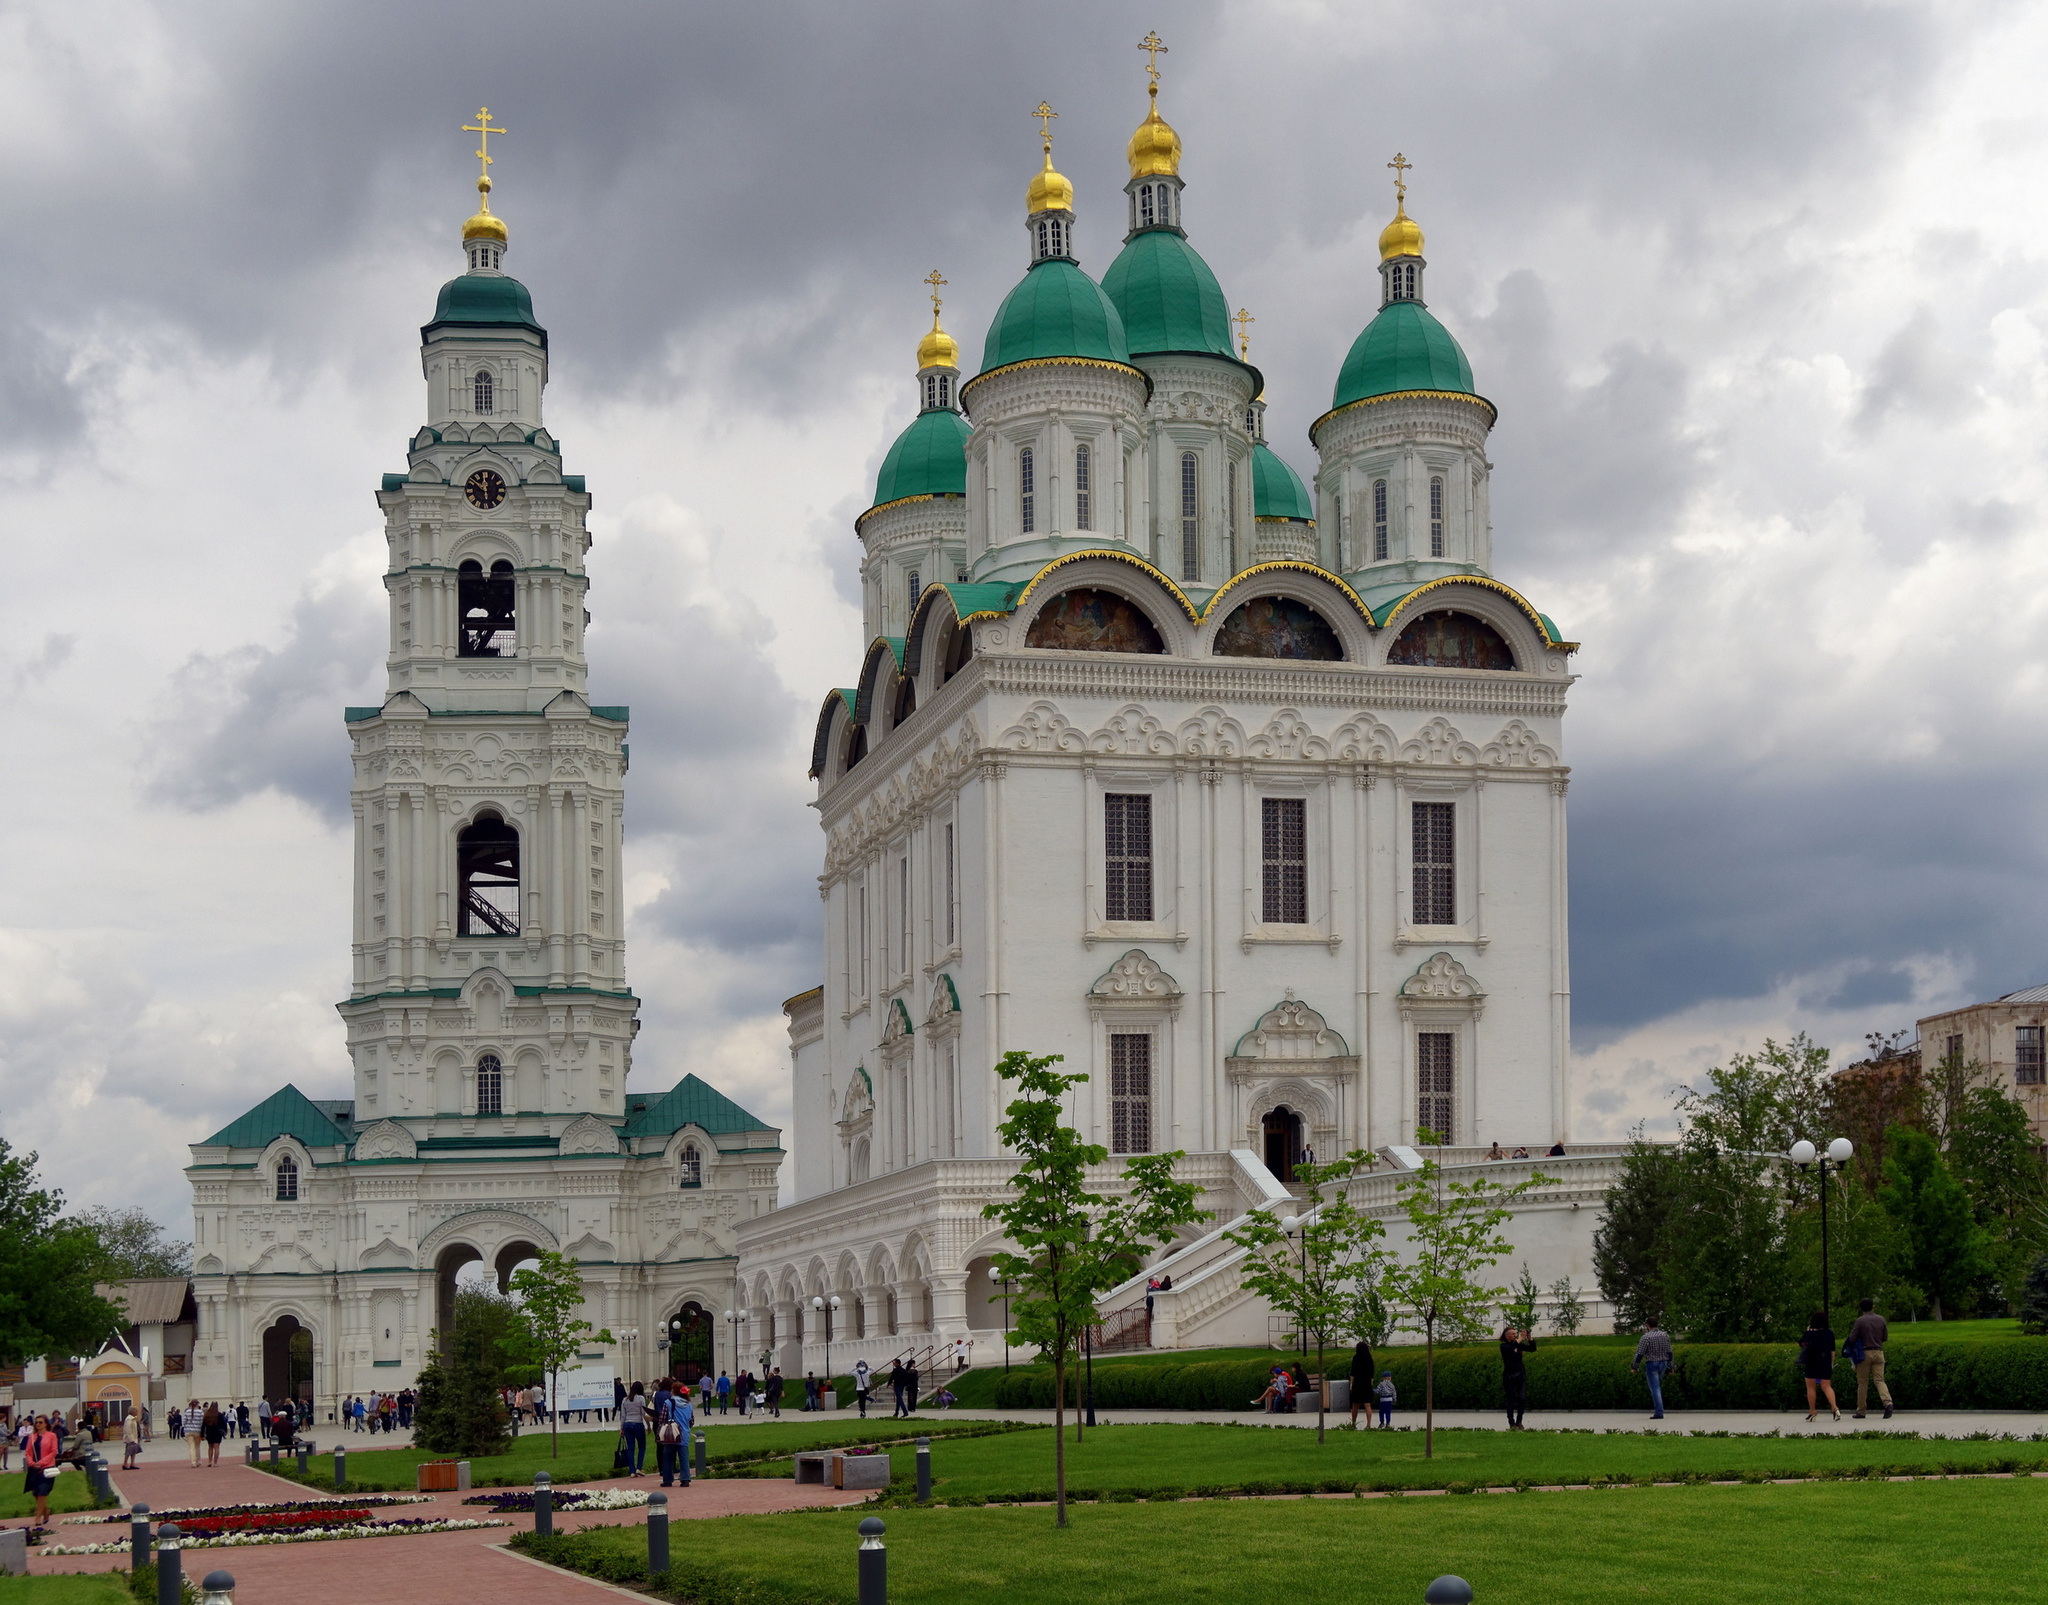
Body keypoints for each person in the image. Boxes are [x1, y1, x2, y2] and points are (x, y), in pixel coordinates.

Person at [1847, 1297, 1893, 1420]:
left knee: (1863, 1383)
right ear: (1873, 1307)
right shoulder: (1881, 1319)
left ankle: (1861, 1410)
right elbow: (1885, 1337)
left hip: (1864, 1353)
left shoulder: (1860, 1321)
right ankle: (1887, 1402)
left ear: (1861, 1308)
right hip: (1878, 1352)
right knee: (1879, 1380)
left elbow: (1852, 1338)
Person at [1800, 1309, 1840, 1422]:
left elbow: (1802, 1345)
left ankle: (1812, 1411)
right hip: (1825, 1361)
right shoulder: (1829, 1333)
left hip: (1811, 1361)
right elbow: (1832, 1350)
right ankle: (1835, 1407)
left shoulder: (1809, 1334)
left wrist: (1808, 1331)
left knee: (1811, 1387)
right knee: (1826, 1386)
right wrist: (1831, 1363)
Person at [1630, 1317, 1673, 1419]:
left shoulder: (1646, 1337)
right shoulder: (1665, 1335)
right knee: (1657, 1386)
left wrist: (1634, 1366)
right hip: (1663, 1363)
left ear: (1647, 1325)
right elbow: (1669, 1352)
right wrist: (1671, 1367)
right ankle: (1659, 1409)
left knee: (1655, 1388)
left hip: (1652, 1363)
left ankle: (1659, 1412)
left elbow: (1640, 1353)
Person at [24, 1414, 60, 1527]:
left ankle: (38, 1517)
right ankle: (45, 1511)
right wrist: (31, 1463)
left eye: (40, 1422)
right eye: (37, 1422)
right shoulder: (32, 1437)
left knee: (42, 1492)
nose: (38, 1424)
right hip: (34, 1468)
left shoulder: (51, 1436)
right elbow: (28, 1452)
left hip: (47, 1468)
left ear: (46, 1424)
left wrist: (41, 1462)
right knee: (35, 1493)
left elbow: (53, 1452)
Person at [655, 1381, 692, 1489]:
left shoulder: (669, 1402)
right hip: (684, 1433)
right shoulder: (688, 1404)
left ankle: (667, 1480)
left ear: (674, 1391)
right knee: (684, 1457)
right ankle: (685, 1479)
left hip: (671, 1434)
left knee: (668, 1457)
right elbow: (691, 1420)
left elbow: (663, 1418)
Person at [1499, 1326, 1537, 1429]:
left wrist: (1529, 1338)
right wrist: (1520, 1338)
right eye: (1513, 1334)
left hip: (1520, 1375)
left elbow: (1532, 1349)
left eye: (1516, 1333)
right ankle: (1511, 1423)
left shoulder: (1518, 1345)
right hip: (1509, 1377)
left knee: (1522, 1398)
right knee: (1510, 1400)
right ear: (1507, 1336)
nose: (1515, 1335)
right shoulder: (1504, 1346)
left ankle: (1519, 1421)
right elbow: (1511, 1348)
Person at [618, 1380, 649, 1476]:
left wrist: (621, 1428)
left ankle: (632, 1470)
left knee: (630, 1448)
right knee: (642, 1447)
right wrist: (648, 1425)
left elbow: (623, 1415)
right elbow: (643, 1413)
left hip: (627, 1424)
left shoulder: (625, 1400)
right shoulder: (641, 1399)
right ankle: (639, 1468)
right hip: (638, 1424)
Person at [1347, 1337, 1376, 1429]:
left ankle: (1353, 1423)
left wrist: (1351, 1384)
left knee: (1355, 1404)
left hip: (1358, 1383)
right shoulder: (1369, 1358)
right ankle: (1368, 1424)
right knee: (1367, 1404)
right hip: (1367, 1383)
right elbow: (1372, 1373)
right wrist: (1371, 1383)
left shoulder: (1356, 1358)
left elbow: (1353, 1373)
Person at [202, 1401, 226, 1466]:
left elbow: (203, 1425)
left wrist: (202, 1434)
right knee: (217, 1447)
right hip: (218, 1432)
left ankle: (209, 1461)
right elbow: (224, 1424)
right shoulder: (220, 1415)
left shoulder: (207, 1415)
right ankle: (215, 1463)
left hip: (209, 1432)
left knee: (210, 1447)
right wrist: (225, 1432)